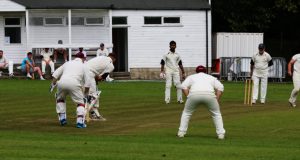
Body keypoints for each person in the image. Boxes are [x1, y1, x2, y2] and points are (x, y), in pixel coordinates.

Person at [177, 65, 226, 140]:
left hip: (194, 94)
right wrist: (217, 99)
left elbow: (183, 86)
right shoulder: (211, 77)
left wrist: (188, 96)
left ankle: (181, 132)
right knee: (216, 114)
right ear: (205, 71)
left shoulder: (192, 77)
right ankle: (221, 134)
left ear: (196, 71)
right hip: (209, 95)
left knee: (186, 113)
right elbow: (221, 87)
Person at [50, 53, 91, 128]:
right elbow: (88, 83)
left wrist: (52, 85)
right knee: (80, 103)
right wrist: (86, 94)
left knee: (60, 99)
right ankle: (79, 122)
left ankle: (62, 119)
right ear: (82, 58)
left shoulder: (67, 63)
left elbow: (55, 74)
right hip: (74, 83)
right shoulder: (84, 66)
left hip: (61, 82)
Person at [85, 53, 116, 121]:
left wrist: (97, 78)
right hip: (89, 75)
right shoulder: (111, 65)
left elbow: (93, 69)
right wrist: (99, 78)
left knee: (88, 95)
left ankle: (93, 114)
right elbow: (101, 78)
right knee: (94, 96)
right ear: (114, 59)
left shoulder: (101, 57)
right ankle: (87, 115)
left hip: (82, 71)